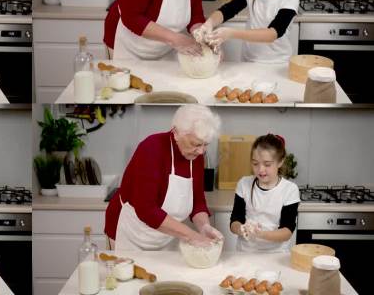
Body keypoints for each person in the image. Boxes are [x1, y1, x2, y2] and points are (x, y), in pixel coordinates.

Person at [104, 104, 224, 251]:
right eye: (196, 144)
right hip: (131, 231)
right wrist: (192, 236)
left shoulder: (196, 156)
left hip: (166, 233)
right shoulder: (152, 149)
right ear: (176, 133)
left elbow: (197, 200)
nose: (201, 151)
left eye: (206, 145)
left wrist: (204, 226)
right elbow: (146, 210)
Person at [230, 134, 300, 252]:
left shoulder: (290, 190)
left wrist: (259, 234)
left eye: (267, 164)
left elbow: (287, 231)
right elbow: (235, 221)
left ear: (280, 162)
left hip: (276, 255)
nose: (261, 169)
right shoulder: (244, 184)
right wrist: (241, 229)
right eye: (255, 163)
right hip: (246, 253)